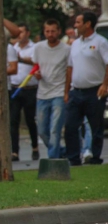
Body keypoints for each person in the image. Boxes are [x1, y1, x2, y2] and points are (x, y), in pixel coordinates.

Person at [64, 11, 108, 166]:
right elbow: (69, 68)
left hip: (94, 91)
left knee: (96, 127)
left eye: (78, 22)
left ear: (87, 24)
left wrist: (105, 85)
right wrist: (66, 91)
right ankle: (74, 158)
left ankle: (95, 158)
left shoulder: (100, 42)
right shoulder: (75, 44)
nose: (75, 26)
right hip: (76, 91)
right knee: (70, 126)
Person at [32, 19, 70, 159]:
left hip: (59, 92)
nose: (50, 34)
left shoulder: (66, 49)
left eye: (53, 31)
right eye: (47, 31)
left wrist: (66, 92)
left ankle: (53, 160)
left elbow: (69, 72)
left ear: (59, 31)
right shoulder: (38, 47)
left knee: (55, 129)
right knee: (42, 131)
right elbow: (36, 67)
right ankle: (60, 150)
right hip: (42, 93)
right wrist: (37, 74)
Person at [10, 23, 39, 161]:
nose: (19, 35)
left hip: (30, 89)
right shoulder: (13, 48)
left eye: (22, 32)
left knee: (30, 120)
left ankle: (35, 147)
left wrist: (20, 59)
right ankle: (15, 151)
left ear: (28, 33)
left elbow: (36, 63)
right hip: (15, 88)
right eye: (18, 32)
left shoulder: (34, 48)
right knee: (13, 121)